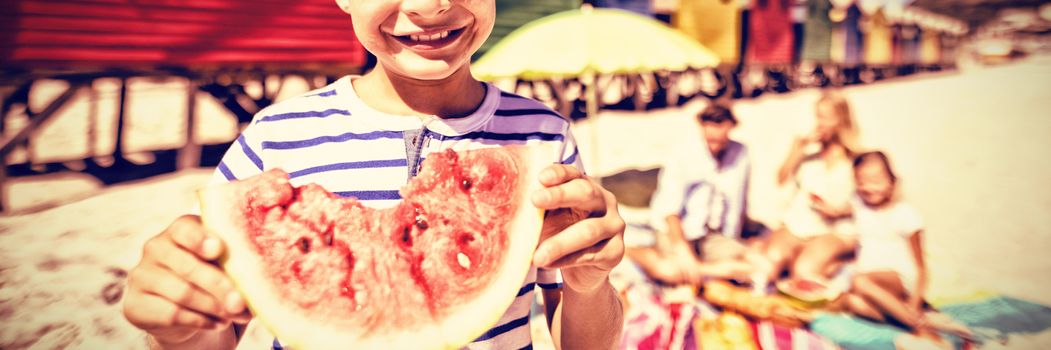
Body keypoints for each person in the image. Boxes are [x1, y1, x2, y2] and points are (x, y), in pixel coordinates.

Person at [121, 1, 627, 349]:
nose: (429, 5)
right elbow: (217, 325)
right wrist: (178, 330)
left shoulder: (541, 138)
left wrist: (590, 284)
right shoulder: (275, 136)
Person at [835, 151, 973, 343]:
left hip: (898, 278)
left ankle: (921, 327)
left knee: (858, 281)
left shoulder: (906, 214)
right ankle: (923, 320)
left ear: (892, 182)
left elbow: (920, 266)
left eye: (875, 181)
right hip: (875, 288)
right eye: (861, 182)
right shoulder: (859, 206)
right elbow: (839, 210)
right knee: (852, 302)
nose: (867, 187)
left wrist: (915, 302)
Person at [625, 103, 755, 286]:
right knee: (671, 272)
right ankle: (633, 252)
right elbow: (670, 210)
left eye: (720, 140)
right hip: (677, 232)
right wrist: (683, 250)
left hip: (713, 234)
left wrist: (741, 235)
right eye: (711, 141)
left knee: (759, 266)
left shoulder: (740, 152)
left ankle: (706, 270)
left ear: (731, 127)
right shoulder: (683, 154)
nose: (715, 146)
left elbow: (739, 200)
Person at [757, 91, 859, 283]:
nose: (820, 123)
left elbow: (871, 201)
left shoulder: (855, 159)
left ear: (841, 120)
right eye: (818, 116)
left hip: (835, 230)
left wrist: (840, 211)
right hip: (801, 224)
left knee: (803, 273)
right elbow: (781, 178)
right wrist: (797, 149)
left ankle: (840, 266)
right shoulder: (809, 156)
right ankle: (803, 258)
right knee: (768, 264)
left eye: (826, 118)